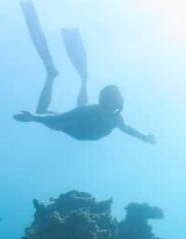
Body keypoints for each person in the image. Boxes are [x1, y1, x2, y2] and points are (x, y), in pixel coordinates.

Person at [13, 2, 156, 144]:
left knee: (74, 108)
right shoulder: (97, 112)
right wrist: (35, 117)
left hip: (79, 127)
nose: (107, 111)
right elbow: (60, 118)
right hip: (74, 127)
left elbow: (128, 129)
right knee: (52, 111)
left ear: (115, 107)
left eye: (109, 108)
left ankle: (75, 78)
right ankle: (59, 76)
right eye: (106, 107)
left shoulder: (115, 118)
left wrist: (144, 137)